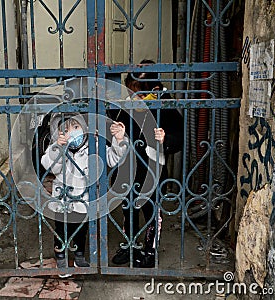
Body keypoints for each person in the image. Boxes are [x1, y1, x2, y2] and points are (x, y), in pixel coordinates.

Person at [110, 59, 184, 268]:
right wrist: (117, 135)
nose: (134, 96)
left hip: (153, 170)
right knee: (128, 208)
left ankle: (150, 250)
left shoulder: (164, 104)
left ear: (154, 88)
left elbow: (179, 135)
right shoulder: (127, 106)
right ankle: (130, 245)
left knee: (151, 210)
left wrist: (165, 138)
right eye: (131, 91)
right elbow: (114, 129)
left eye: (139, 92)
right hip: (128, 170)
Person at [41, 112, 127, 277]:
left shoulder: (94, 143)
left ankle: (79, 255)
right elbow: (52, 167)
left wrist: (119, 140)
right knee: (61, 228)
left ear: (84, 127)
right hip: (63, 196)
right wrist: (58, 148)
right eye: (65, 130)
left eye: (75, 127)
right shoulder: (57, 145)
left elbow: (112, 158)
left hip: (85, 196)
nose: (72, 132)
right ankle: (61, 257)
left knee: (81, 228)